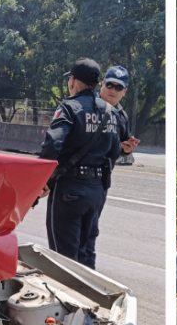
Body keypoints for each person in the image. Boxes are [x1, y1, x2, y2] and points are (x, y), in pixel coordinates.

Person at [38, 57, 121, 269]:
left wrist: (41, 181)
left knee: (63, 259)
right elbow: (113, 152)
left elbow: (52, 145)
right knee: (86, 253)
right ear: (96, 84)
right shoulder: (110, 113)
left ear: (73, 81)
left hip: (69, 191)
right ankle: (89, 298)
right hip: (97, 192)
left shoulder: (69, 107)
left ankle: (71, 301)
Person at [80, 65, 141, 267]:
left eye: (118, 87)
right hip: (75, 180)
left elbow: (122, 146)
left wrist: (127, 148)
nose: (112, 90)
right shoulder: (84, 106)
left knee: (90, 234)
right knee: (70, 239)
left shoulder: (120, 116)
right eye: (109, 84)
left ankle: (88, 277)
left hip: (100, 182)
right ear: (102, 84)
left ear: (125, 91)